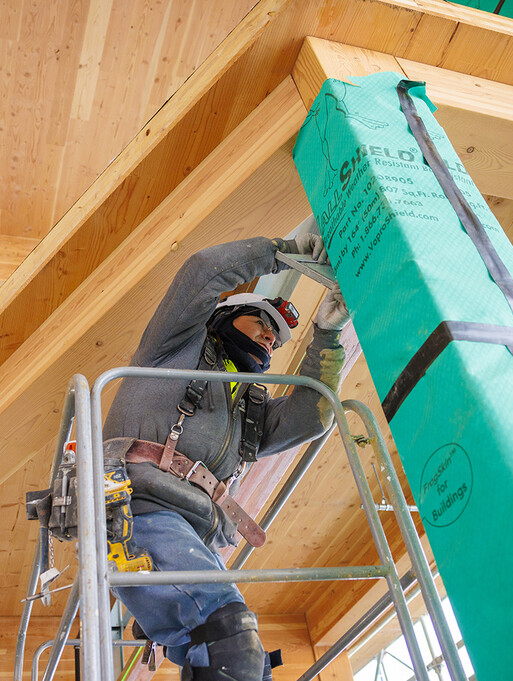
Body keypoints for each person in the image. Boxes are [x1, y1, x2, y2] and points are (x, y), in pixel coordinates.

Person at [102, 235, 352, 681]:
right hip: (140, 503)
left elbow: (312, 416)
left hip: (197, 531)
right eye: (261, 320)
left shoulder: (249, 407)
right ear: (224, 318)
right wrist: (281, 250)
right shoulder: (176, 347)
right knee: (229, 642)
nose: (271, 337)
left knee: (248, 663)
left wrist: (327, 337)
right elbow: (201, 272)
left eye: (276, 336)